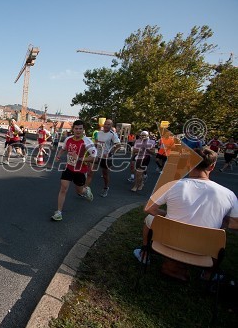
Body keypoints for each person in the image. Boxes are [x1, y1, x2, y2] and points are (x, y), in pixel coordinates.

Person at [134, 147, 238, 280]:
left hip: (168, 241)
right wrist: (217, 222)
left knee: (149, 218)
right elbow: (235, 224)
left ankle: (145, 253)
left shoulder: (171, 185)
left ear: (188, 164)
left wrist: (166, 215)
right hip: (203, 249)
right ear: (212, 167)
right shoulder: (229, 194)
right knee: (220, 236)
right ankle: (209, 273)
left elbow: (149, 209)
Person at [51, 120, 97, 221]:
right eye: (76, 128)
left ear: (83, 130)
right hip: (69, 168)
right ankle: (59, 212)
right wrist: (58, 155)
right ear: (73, 129)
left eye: (80, 128)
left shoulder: (87, 142)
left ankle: (86, 190)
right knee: (63, 188)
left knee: (79, 191)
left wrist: (80, 159)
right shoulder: (68, 139)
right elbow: (63, 148)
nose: (78, 130)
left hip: (80, 170)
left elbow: (95, 157)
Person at [92, 119, 120, 197]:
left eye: (109, 124)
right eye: (106, 124)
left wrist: (110, 153)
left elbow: (118, 146)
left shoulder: (113, 134)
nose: (107, 126)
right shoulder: (99, 133)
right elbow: (96, 143)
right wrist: (93, 151)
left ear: (111, 126)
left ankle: (105, 188)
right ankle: (85, 188)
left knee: (105, 174)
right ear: (103, 124)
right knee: (90, 170)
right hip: (97, 155)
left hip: (106, 157)